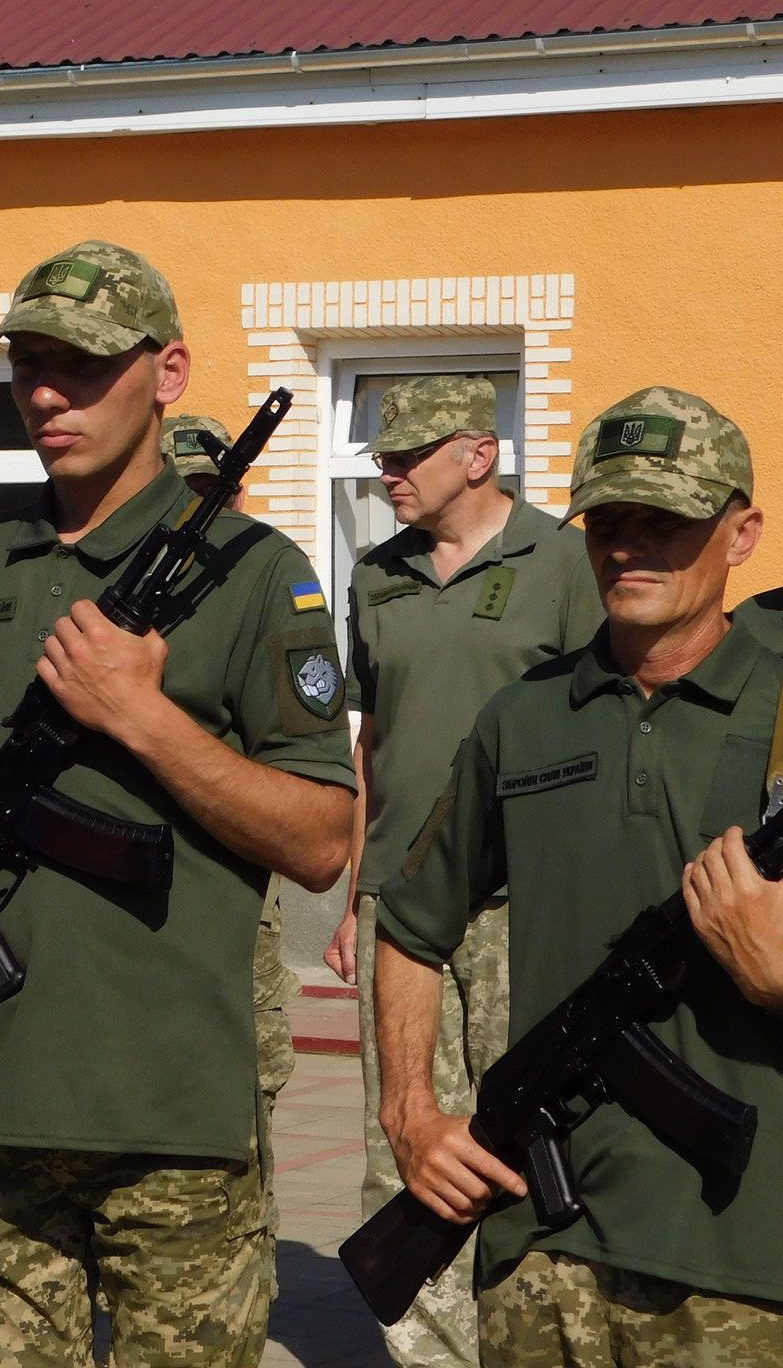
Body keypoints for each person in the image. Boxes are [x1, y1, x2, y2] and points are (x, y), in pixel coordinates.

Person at [0, 241, 355, 1368]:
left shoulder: (255, 574)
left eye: (78, 365)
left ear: (166, 373)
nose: (44, 394)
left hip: (179, 1130)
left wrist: (145, 717)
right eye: (25, 365)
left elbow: (322, 838)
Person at [377, 387, 783, 1365]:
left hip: (736, 1266)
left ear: (741, 534)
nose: (628, 546)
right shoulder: (523, 716)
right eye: (606, 520)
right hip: (535, 1254)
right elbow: (410, 924)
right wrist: (410, 1115)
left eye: (666, 521)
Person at [320, 375, 599, 1367]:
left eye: (405, 455)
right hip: (404, 913)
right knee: (405, 1143)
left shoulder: (565, 561)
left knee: (533, 1142)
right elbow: (370, 740)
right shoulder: (374, 574)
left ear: (475, 455)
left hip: (525, 902)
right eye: (381, 457)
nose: (385, 473)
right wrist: (356, 892)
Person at [160, 414, 303, 1156]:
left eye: (219, 492)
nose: (204, 510)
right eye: (187, 493)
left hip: (237, 891)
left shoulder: (263, 589)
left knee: (248, 1095)